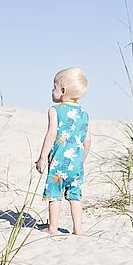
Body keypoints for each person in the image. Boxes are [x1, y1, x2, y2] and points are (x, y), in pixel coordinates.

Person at [35, 68, 91, 236]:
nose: (52, 91)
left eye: (54, 87)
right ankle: (78, 228)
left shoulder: (55, 110)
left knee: (55, 194)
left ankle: (53, 228)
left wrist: (42, 157)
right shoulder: (84, 114)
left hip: (59, 162)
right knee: (75, 196)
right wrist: (81, 160)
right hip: (77, 164)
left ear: (63, 91)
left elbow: (51, 134)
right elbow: (87, 141)